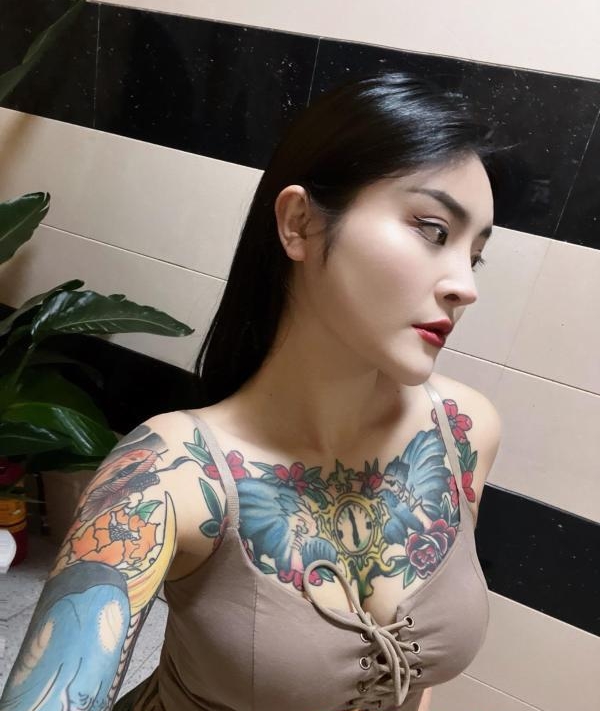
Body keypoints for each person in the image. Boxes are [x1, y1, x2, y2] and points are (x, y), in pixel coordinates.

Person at [1, 72, 502, 711]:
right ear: (299, 223)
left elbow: (418, 682)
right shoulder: (171, 474)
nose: (465, 286)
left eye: (474, 254)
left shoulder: (463, 430)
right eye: (433, 230)